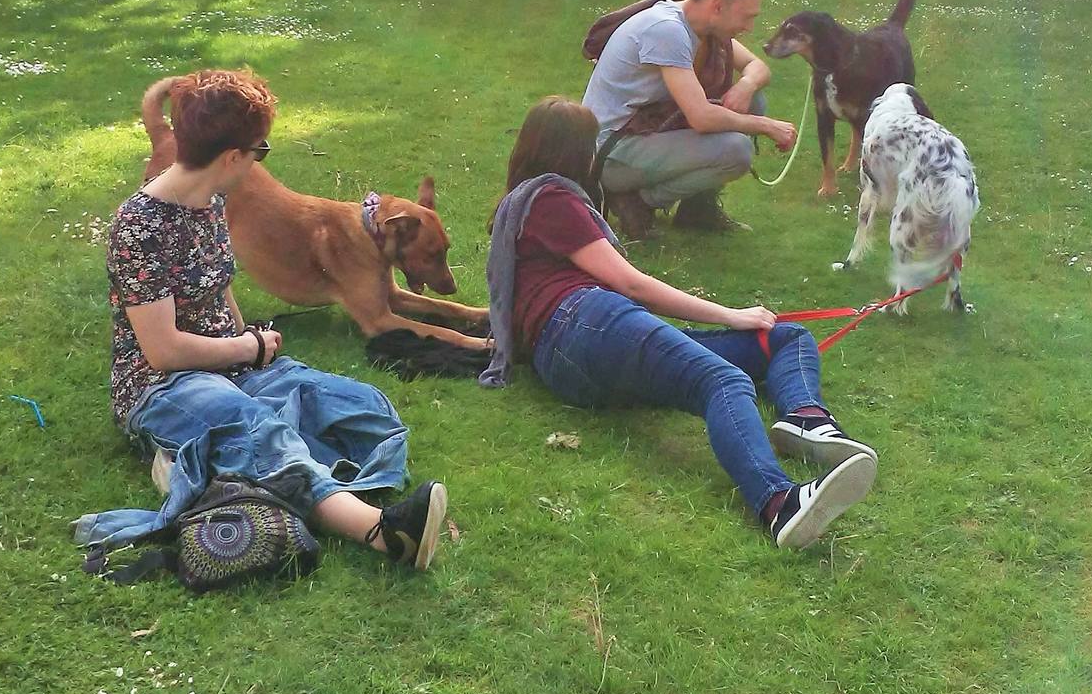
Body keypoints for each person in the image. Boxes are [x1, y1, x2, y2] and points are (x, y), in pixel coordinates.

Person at [73, 70, 447, 571]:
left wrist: (245, 337)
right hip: (161, 384)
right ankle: (382, 531)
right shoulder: (139, 227)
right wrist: (247, 350)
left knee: (365, 406)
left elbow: (217, 282)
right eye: (261, 150)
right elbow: (163, 350)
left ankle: (259, 478)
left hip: (232, 362)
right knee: (253, 427)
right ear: (232, 158)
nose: (260, 158)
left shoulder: (210, 201)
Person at [482, 97, 876, 550]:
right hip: (586, 324)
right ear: (575, 154)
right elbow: (633, 286)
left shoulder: (526, 204)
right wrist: (732, 314)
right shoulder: (553, 199)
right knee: (722, 380)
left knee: (784, 339)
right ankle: (779, 503)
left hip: (575, 359)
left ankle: (806, 419)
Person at [581, 0, 798, 239]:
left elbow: (758, 68)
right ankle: (638, 202)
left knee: (753, 100)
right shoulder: (667, 30)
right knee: (736, 150)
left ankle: (697, 211)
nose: (750, 27)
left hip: (644, 131)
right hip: (611, 153)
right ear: (717, 6)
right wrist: (765, 126)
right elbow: (701, 117)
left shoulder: (700, 23)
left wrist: (746, 85)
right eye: (746, 17)